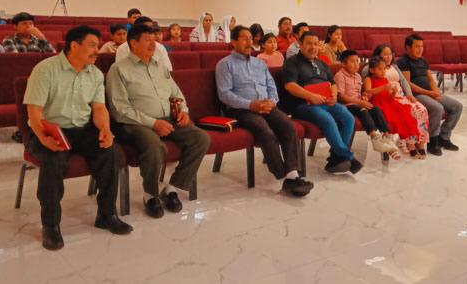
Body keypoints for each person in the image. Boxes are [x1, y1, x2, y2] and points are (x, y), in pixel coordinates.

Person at [24, 25, 132, 250]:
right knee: (53, 160)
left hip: (82, 129)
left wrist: (105, 129)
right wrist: (43, 138)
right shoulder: (45, 70)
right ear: (74, 45)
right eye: (92, 45)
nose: (97, 50)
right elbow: (34, 111)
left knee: (110, 152)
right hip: (48, 129)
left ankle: (107, 215)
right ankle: (51, 225)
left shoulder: (95, 74)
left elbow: (99, 108)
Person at [106, 24, 210, 218]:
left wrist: (183, 111)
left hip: (168, 118)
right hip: (134, 124)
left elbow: (176, 93)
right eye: (147, 39)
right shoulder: (119, 69)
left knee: (201, 138)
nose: (153, 44)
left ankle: (172, 188)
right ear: (133, 43)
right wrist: (153, 123)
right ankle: (150, 194)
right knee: (154, 145)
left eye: (154, 39)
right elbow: (120, 109)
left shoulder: (160, 67)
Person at [216, 25, 314, 197]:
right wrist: (250, 104)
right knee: (265, 131)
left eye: (250, 38)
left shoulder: (259, 63)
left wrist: (272, 102)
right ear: (233, 42)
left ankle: (292, 176)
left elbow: (271, 87)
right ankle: (282, 174)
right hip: (241, 109)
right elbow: (224, 94)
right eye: (244, 38)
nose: (249, 42)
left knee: (288, 126)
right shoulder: (225, 64)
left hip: (266, 105)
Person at [281, 31, 362, 174]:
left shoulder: (321, 63)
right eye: (309, 43)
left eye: (316, 44)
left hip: (326, 102)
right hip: (303, 104)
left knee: (348, 118)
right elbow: (290, 86)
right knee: (328, 119)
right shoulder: (291, 62)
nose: (313, 47)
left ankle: (335, 159)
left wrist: (334, 95)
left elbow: (332, 83)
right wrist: (311, 96)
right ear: (300, 43)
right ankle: (349, 157)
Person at [396, 34, 462, 156]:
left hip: (429, 92)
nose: (420, 49)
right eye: (417, 46)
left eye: (422, 46)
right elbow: (408, 84)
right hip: (416, 95)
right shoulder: (403, 61)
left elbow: (430, 79)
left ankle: (444, 136)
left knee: (457, 106)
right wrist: (430, 93)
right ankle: (432, 139)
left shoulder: (423, 60)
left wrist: (436, 91)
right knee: (438, 108)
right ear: (408, 47)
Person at [362, 44, 429, 155]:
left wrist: (408, 94)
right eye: (385, 54)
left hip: (397, 96)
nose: (389, 56)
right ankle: (406, 142)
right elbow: (366, 88)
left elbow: (404, 81)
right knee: (403, 113)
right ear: (378, 55)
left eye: (390, 54)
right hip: (382, 99)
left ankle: (419, 141)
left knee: (419, 109)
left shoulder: (395, 67)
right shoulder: (369, 70)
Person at [2, 12, 57, 143]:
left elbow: (53, 57)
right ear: (15, 26)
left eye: (31, 23)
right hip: (20, 77)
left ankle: (42, 129)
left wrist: (42, 38)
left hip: (40, 78)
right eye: (24, 23)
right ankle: (23, 130)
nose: (28, 26)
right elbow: (17, 60)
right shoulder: (9, 40)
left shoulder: (39, 40)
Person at [333, 50, 398, 157]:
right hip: (346, 105)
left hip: (358, 102)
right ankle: (375, 138)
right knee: (363, 110)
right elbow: (341, 97)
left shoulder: (358, 76)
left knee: (376, 109)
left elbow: (360, 93)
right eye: (352, 61)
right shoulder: (340, 76)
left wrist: (364, 97)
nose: (356, 64)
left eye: (357, 61)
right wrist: (359, 102)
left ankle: (386, 137)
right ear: (343, 64)